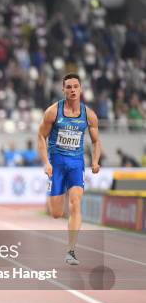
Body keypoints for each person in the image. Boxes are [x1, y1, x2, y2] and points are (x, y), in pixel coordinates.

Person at [37, 73, 101, 265]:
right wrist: (46, 162)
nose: (72, 90)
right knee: (56, 213)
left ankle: (71, 250)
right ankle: (58, 192)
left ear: (81, 89)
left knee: (75, 202)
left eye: (76, 87)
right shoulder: (52, 112)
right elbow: (40, 137)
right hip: (56, 163)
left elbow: (96, 141)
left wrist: (95, 161)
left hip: (75, 164)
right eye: (69, 87)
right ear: (63, 90)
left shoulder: (89, 115)